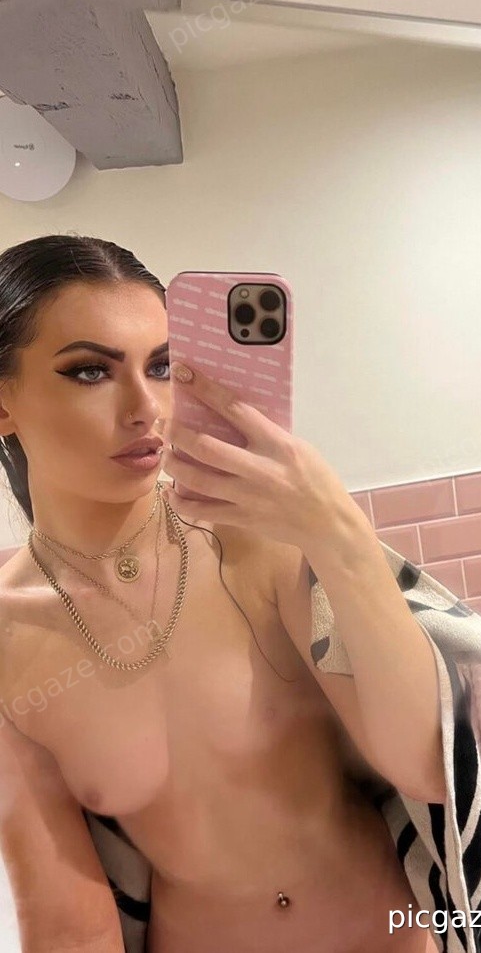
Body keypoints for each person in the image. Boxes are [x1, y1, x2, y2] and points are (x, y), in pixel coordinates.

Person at [0, 235, 447, 953]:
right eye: (90, 371)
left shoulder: (253, 540)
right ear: (4, 402)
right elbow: (68, 925)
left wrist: (336, 532)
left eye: (162, 366)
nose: (146, 407)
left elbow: (429, 767)